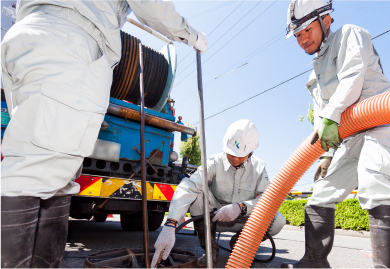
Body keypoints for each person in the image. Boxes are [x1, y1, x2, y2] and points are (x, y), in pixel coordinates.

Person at [1, 1, 207, 267]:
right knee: (34, 173)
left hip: (31, 34)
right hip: (70, 45)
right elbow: (151, 5)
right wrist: (192, 35)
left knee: (48, 174)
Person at [281, 0, 390, 268]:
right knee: (321, 193)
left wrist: (331, 116)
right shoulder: (316, 69)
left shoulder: (350, 34)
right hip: (352, 134)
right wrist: (325, 154)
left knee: (375, 183)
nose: (303, 39)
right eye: (298, 35)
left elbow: (353, 76)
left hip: (382, 120)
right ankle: (314, 262)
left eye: (307, 30)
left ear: (326, 20)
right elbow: (321, 114)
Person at [151, 119, 286, 267]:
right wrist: (171, 223)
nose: (234, 158)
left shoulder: (259, 167)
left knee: (278, 220)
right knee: (197, 194)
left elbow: (268, 199)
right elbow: (189, 186)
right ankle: (210, 249)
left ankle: (240, 243)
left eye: (240, 155)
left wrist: (241, 207)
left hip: (245, 220)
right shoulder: (214, 162)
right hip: (214, 218)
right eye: (231, 153)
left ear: (251, 152)